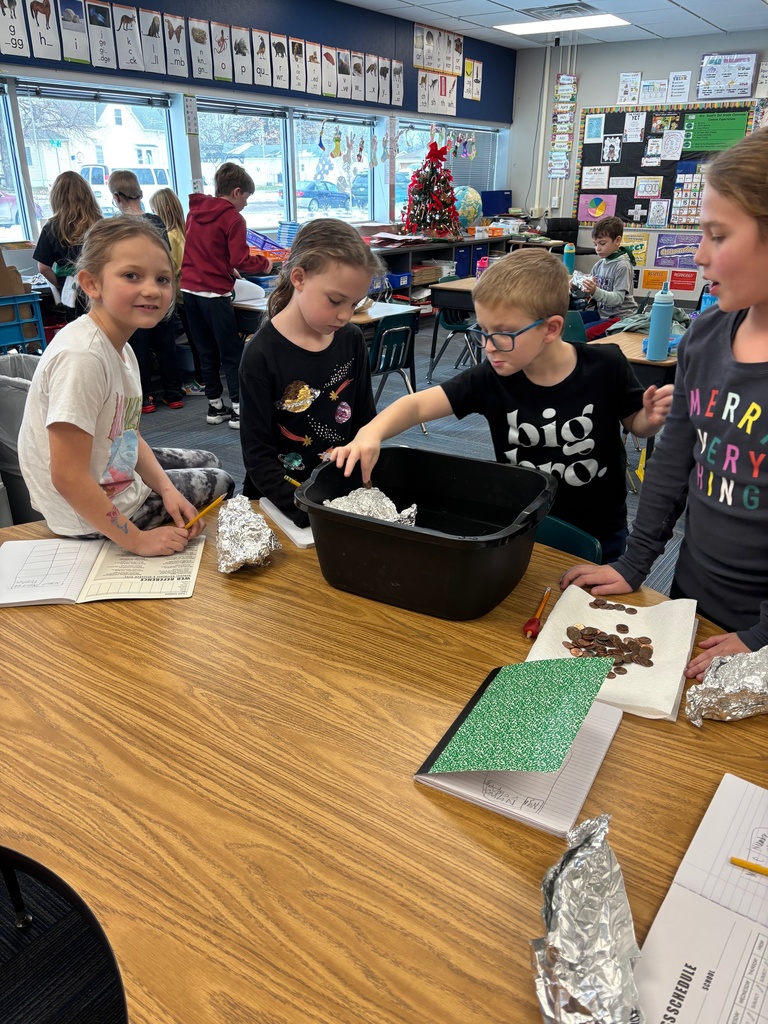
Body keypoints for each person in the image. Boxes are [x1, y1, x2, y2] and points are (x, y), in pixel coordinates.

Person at [562, 128, 768, 678]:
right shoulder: (704, 336)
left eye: (717, 236)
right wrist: (635, 562)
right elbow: (674, 460)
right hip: (693, 588)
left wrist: (761, 636)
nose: (698, 255)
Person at [330, 248, 673, 562]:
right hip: (523, 523)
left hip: (601, 530)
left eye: (503, 334)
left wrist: (651, 419)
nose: (489, 347)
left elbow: (635, 424)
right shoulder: (491, 377)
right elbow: (417, 406)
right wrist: (371, 432)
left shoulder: (606, 364)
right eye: (483, 331)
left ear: (551, 329)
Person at [18, 217, 234, 557]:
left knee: (207, 456)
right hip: (84, 515)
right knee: (223, 481)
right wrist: (136, 540)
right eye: (131, 276)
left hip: (108, 469)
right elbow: (68, 477)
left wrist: (165, 487)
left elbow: (126, 437)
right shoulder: (83, 357)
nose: (151, 289)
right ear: (91, 283)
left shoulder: (122, 346)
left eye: (162, 279)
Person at [239, 219, 384, 527]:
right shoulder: (260, 354)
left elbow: (364, 423)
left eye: (354, 303)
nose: (345, 315)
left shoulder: (351, 339)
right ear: (299, 278)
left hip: (337, 497)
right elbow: (258, 458)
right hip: (280, 504)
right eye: (335, 300)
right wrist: (309, 513)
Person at [180, 162, 275, 430]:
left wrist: (227, 267)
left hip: (189, 289)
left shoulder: (194, 212)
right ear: (236, 192)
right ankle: (237, 409)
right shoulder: (234, 218)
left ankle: (215, 406)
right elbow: (241, 258)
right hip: (214, 292)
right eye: (246, 197)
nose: (245, 203)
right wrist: (264, 263)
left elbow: (205, 251)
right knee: (231, 351)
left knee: (206, 350)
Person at [108, 170, 185, 413]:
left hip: (136, 295)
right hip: (162, 290)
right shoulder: (157, 222)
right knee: (165, 344)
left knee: (138, 346)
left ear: (117, 197)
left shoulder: (118, 227)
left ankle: (145, 398)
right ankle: (173, 394)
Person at [149, 188, 205, 394]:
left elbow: (172, 268)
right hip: (191, 291)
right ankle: (202, 378)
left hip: (181, 294)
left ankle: (200, 380)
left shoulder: (170, 236)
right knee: (197, 338)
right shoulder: (184, 231)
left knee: (193, 338)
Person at [34, 170, 102, 321]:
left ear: (56, 198)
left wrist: (61, 283)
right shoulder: (101, 224)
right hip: (101, 285)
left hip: (73, 290)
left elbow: (43, 268)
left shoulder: (51, 227)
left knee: (80, 333)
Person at [579, 215, 637, 340]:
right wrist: (577, 286)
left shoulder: (622, 266)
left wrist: (595, 291)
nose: (597, 248)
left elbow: (617, 299)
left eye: (602, 243)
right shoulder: (599, 264)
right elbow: (589, 293)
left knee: (583, 333)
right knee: (570, 322)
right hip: (603, 314)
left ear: (617, 241)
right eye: (595, 244)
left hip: (620, 317)